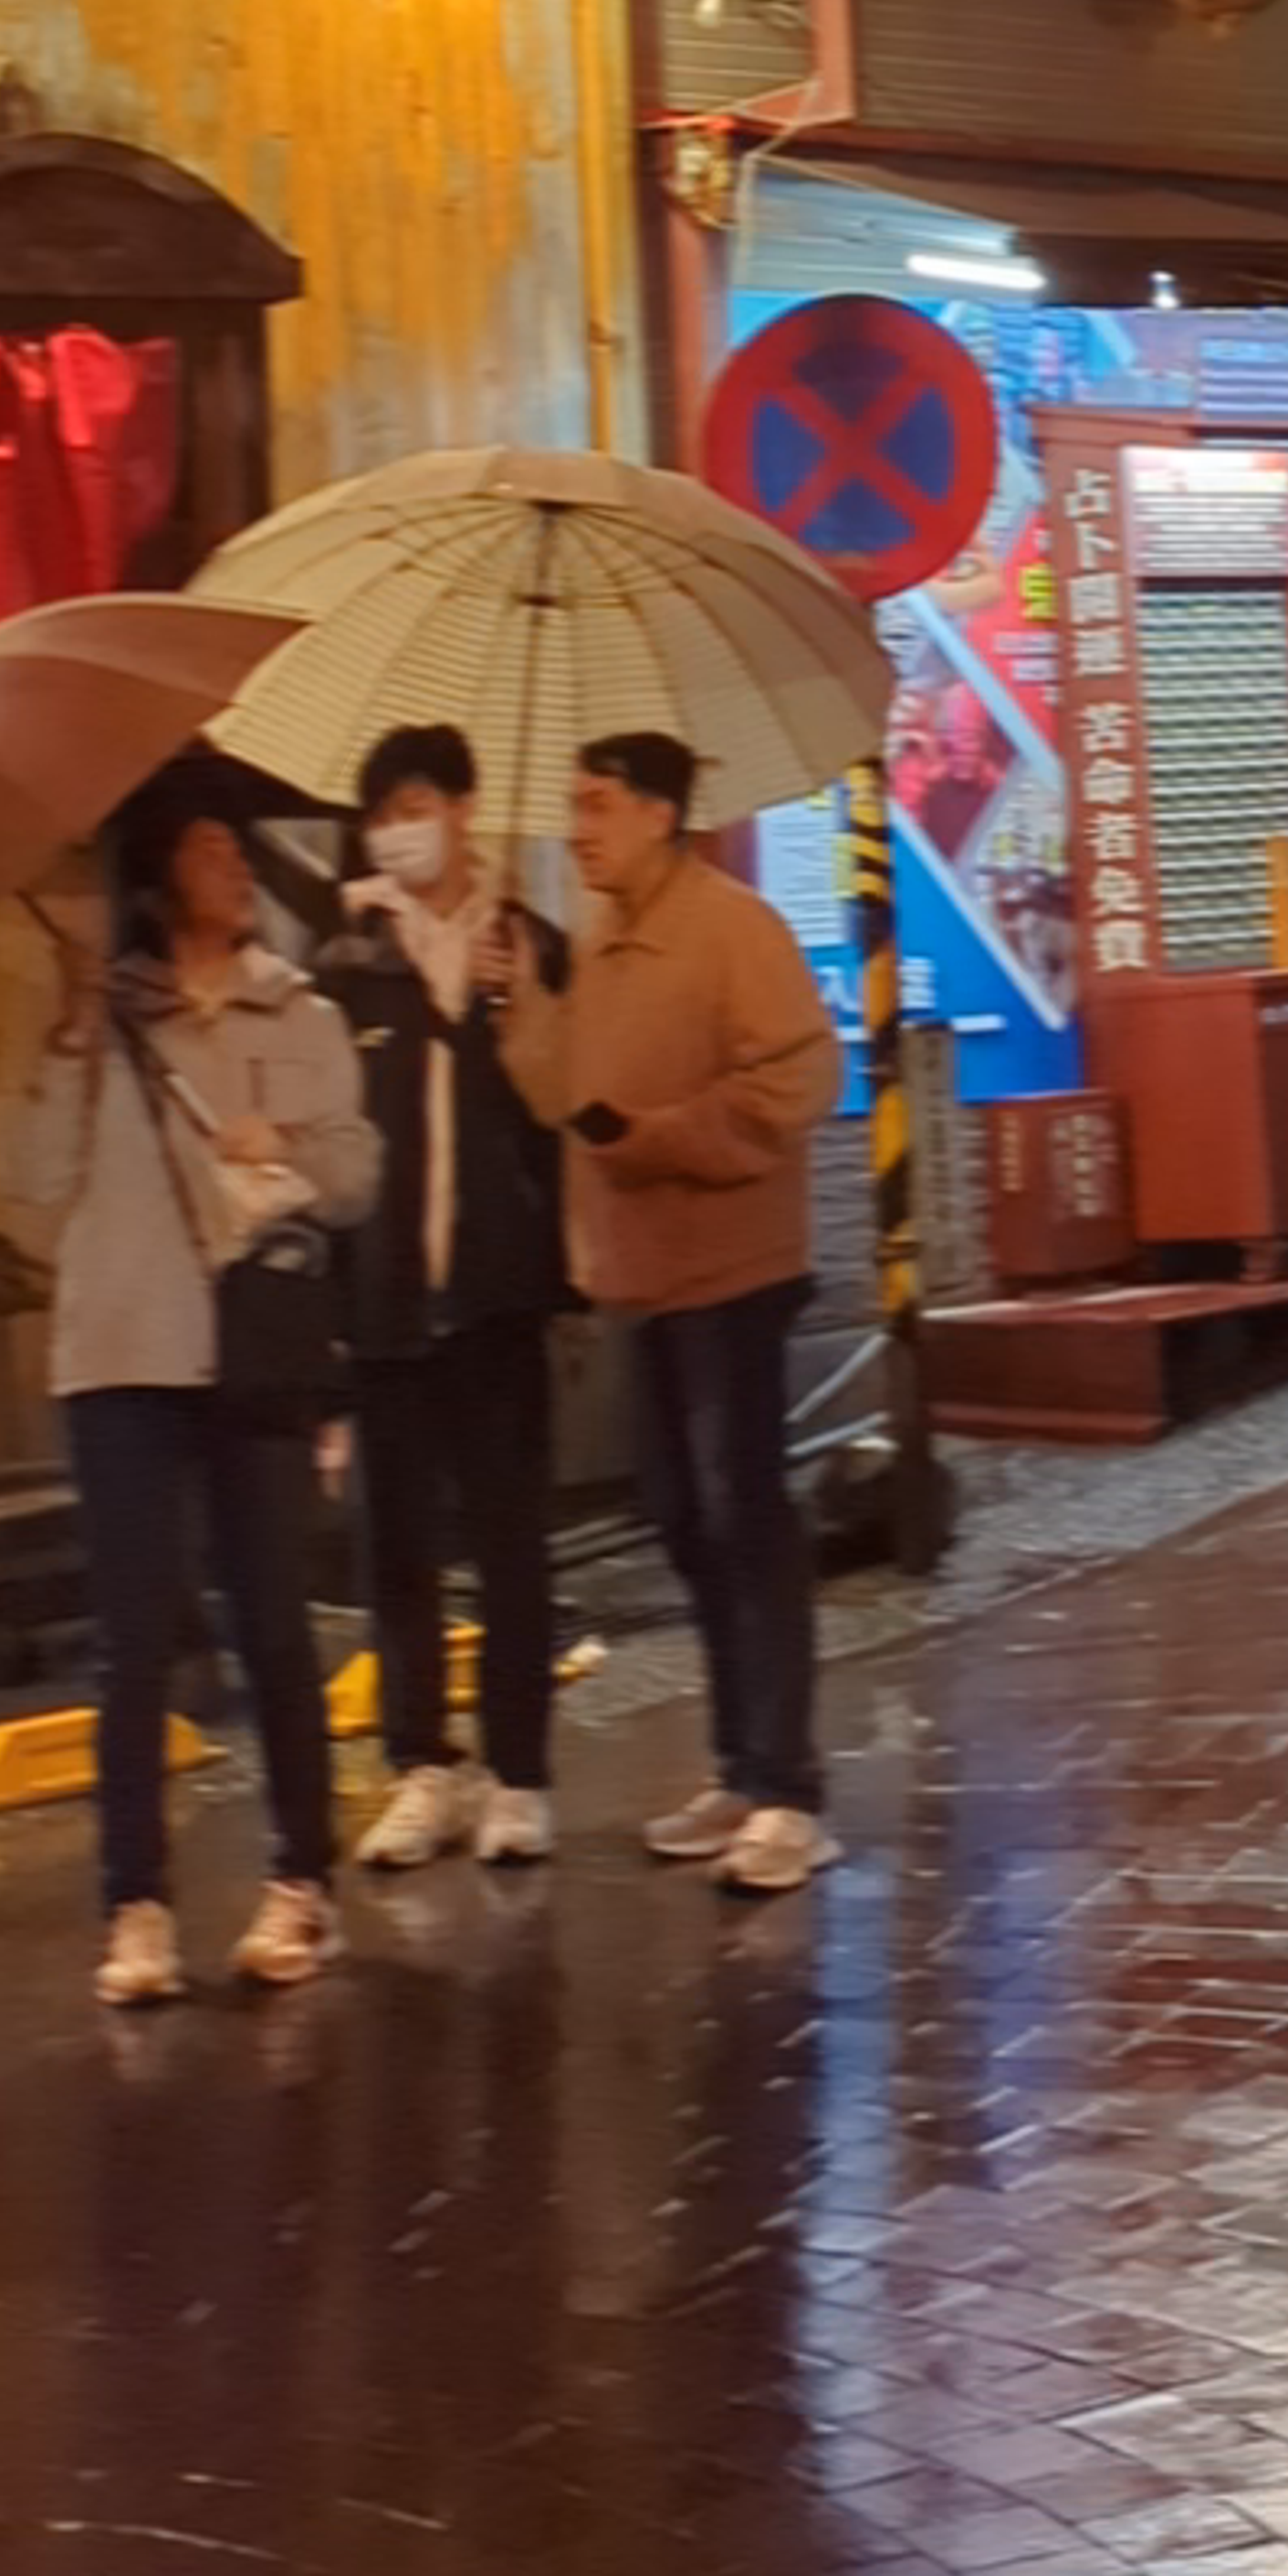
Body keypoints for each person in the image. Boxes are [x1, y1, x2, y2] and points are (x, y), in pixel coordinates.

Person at [33, 757, 377, 2010]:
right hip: (118, 1351)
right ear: (156, 872)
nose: (235, 862)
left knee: (275, 1625)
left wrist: (275, 1140)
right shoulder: (93, 1025)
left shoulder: (303, 1011)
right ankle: (136, 1902)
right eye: (208, 846)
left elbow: (356, 1177)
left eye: (241, 846)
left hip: (257, 1349)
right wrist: (61, 1038)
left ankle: (303, 1880)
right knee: (132, 1645)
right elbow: (22, 1185)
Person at [500, 730, 844, 1896]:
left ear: (659, 811)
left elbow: (801, 1080)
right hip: (644, 1282)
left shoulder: (732, 925)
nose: (578, 826)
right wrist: (526, 1002)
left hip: (734, 1271)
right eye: (573, 803)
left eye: (595, 803)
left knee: (743, 1514)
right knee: (684, 1521)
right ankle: (742, 1766)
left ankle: (792, 1788)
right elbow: (567, 1098)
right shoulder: (601, 942)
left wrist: (663, 1141)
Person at [316, 720, 566, 1877]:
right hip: (383, 1302)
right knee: (397, 1545)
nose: (398, 829)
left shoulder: (536, 945)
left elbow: (566, 1108)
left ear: (465, 805)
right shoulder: (344, 964)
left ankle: (518, 1772)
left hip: (501, 1296)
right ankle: (423, 1764)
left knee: (514, 1541)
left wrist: (526, 1011)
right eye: (381, 813)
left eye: (416, 802)